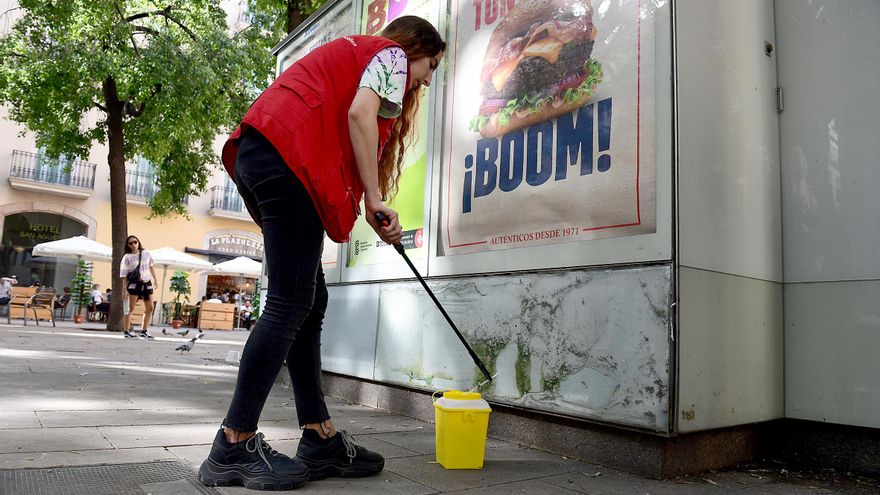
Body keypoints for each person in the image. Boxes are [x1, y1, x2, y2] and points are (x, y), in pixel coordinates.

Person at [198, 16, 445, 490]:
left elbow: (342, 124)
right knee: (290, 303)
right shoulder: (388, 54)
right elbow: (359, 116)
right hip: (286, 159)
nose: (428, 79)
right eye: (430, 66)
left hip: (263, 153)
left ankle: (319, 435)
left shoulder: (354, 54)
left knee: (309, 299)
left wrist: (367, 202)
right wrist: (375, 201)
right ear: (414, 49)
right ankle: (233, 442)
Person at [119, 235, 158, 339]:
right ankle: (126, 331)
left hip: (146, 282)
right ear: (127, 245)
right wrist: (124, 289)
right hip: (134, 284)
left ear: (138, 242)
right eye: (130, 243)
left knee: (150, 308)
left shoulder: (146, 253)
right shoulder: (127, 257)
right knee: (130, 308)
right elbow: (124, 274)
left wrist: (155, 279)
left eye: (135, 242)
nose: (133, 245)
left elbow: (151, 266)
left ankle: (144, 330)